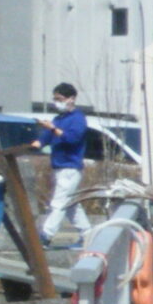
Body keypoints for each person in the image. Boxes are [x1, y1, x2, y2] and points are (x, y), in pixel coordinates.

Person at [34, 81, 90, 243]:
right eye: (55, 99)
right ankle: (88, 234)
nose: (56, 102)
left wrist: (52, 129)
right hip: (59, 166)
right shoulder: (58, 119)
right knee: (70, 204)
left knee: (59, 202)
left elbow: (72, 138)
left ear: (71, 99)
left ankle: (46, 235)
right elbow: (45, 138)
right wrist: (37, 143)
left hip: (70, 167)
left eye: (60, 99)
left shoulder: (78, 118)